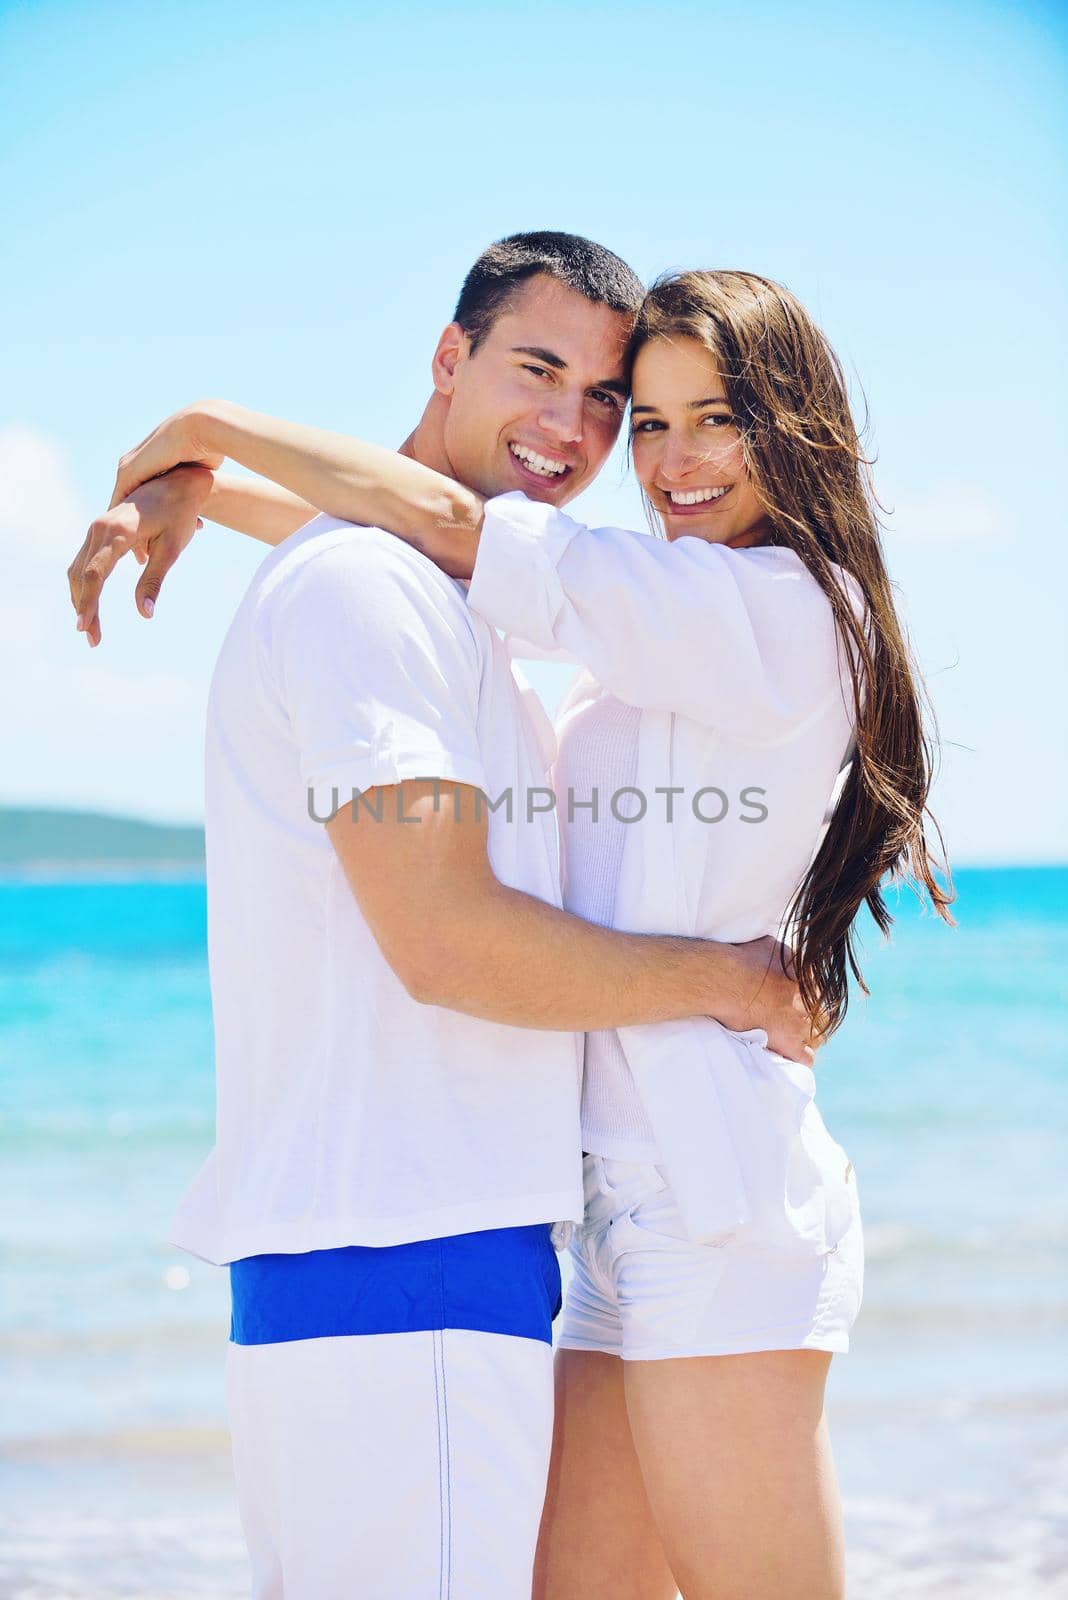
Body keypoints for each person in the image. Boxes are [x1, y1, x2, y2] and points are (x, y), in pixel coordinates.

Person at [67, 238, 820, 1600]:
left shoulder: (456, 599)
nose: (582, 431)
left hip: (424, 1258)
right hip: (404, 1260)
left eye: (611, 402)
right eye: (548, 373)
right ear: (446, 359)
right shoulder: (374, 592)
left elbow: (452, 539)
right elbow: (450, 940)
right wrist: (732, 981)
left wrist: (207, 485)